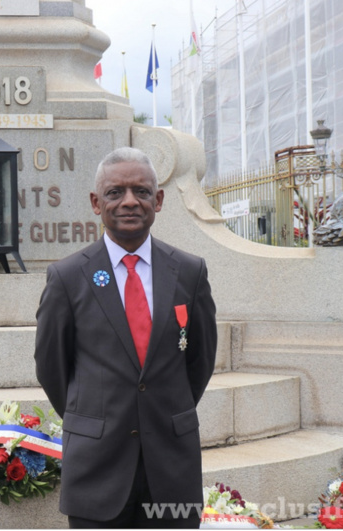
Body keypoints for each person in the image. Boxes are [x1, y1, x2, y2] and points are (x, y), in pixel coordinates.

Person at [34, 147, 217, 528]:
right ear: (96, 203)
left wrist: (164, 410)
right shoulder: (67, 278)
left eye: (142, 191)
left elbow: (199, 361)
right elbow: (52, 369)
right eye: (115, 192)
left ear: (159, 200)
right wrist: (92, 418)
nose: (130, 201)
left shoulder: (189, 272)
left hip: (171, 466)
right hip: (97, 468)